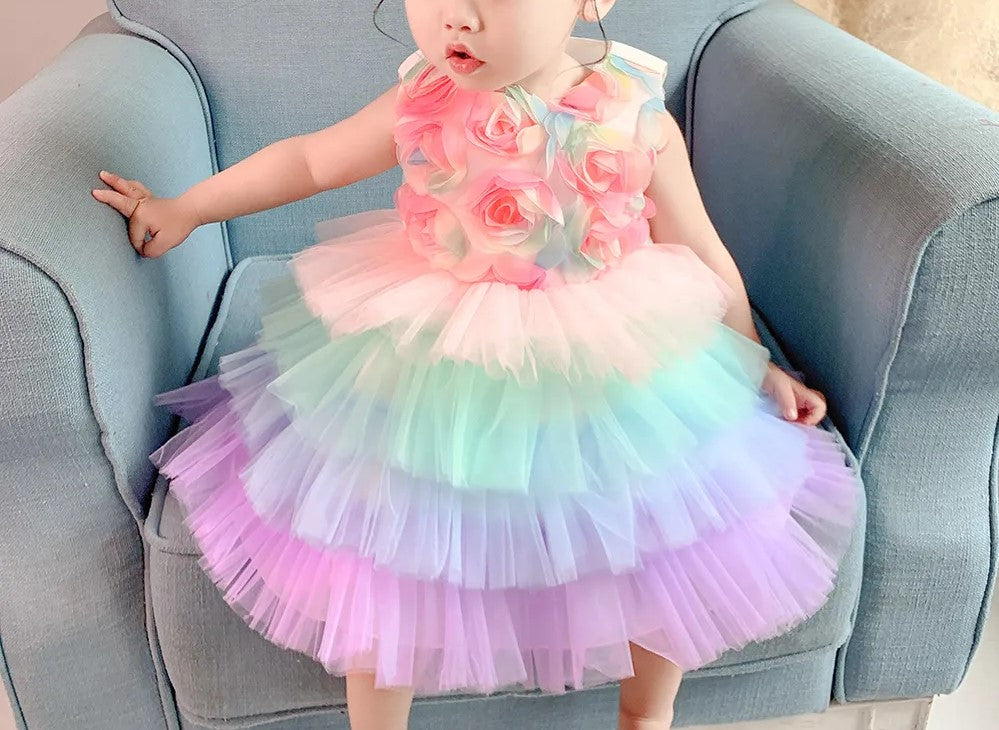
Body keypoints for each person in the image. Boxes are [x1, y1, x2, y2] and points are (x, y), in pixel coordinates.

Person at [91, 1, 859, 728]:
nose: (457, 16)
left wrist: (752, 360)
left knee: (664, 524)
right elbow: (312, 160)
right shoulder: (427, 97)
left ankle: (645, 712)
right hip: (444, 347)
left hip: (609, 350)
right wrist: (188, 207)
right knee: (390, 537)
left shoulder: (634, 115)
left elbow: (697, 246)